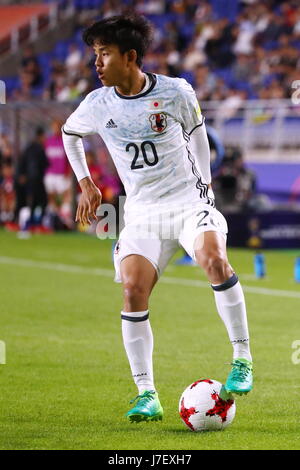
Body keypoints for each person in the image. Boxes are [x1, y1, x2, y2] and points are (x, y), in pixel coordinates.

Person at [62, 14, 253, 423]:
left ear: (130, 57)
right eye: (94, 54)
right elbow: (69, 133)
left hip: (187, 202)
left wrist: (205, 187)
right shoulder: (97, 104)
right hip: (143, 212)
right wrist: (86, 183)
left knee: (214, 260)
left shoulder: (175, 92)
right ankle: (146, 393)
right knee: (133, 290)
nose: (96, 63)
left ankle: (242, 358)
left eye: (104, 54)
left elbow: (198, 134)